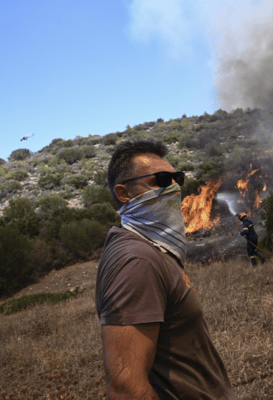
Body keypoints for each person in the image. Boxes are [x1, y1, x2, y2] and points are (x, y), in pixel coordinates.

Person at [96, 140, 236, 400]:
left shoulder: (152, 250)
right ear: (124, 193)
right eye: (160, 180)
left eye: (176, 178)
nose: (172, 187)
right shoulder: (136, 261)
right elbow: (126, 389)